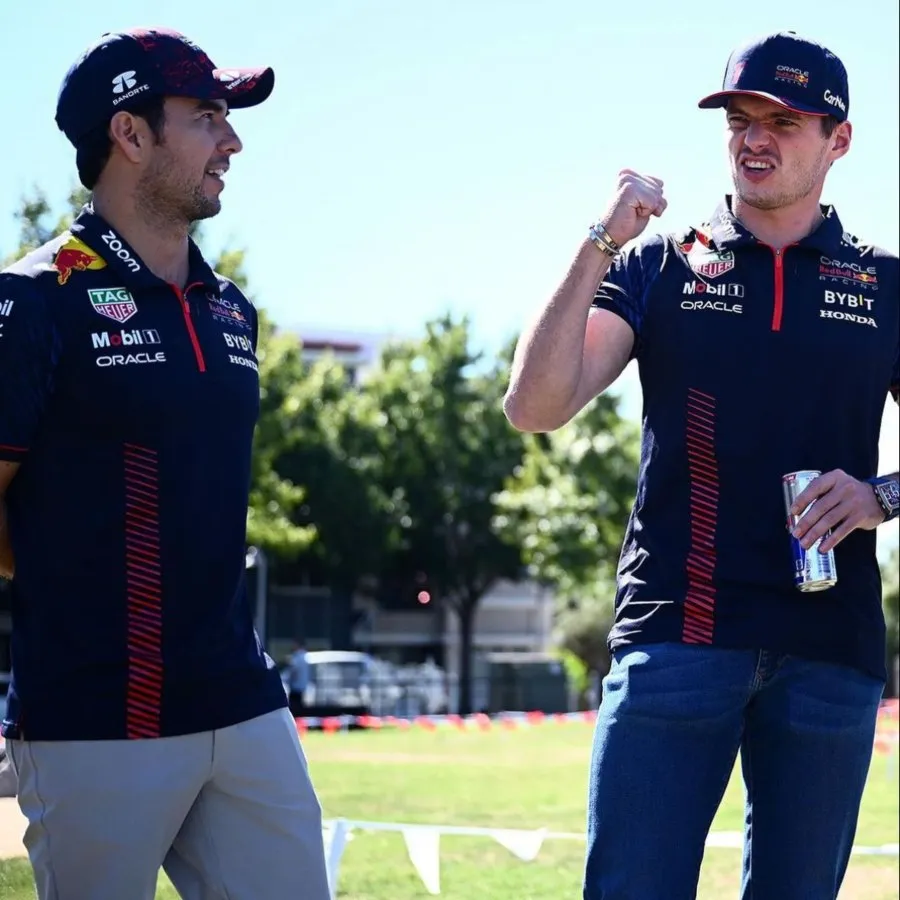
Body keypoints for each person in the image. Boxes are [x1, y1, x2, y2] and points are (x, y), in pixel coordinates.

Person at [503, 30, 899, 900]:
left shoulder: (886, 285)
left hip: (830, 650)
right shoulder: (659, 265)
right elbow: (535, 406)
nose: (755, 137)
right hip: (677, 639)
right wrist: (599, 239)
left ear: (839, 140)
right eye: (740, 119)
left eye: (783, 120)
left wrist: (880, 497)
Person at [0, 27, 330, 900]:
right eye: (208, 116)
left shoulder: (232, 313)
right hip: (93, 719)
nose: (233, 141)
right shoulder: (35, 300)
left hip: (242, 701)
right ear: (130, 132)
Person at [287, 640, 311, 718]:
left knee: (295, 708)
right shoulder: (307, 657)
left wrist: (290, 681)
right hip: (304, 686)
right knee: (301, 707)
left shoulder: (297, 657)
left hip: (296, 686)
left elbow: (294, 671)